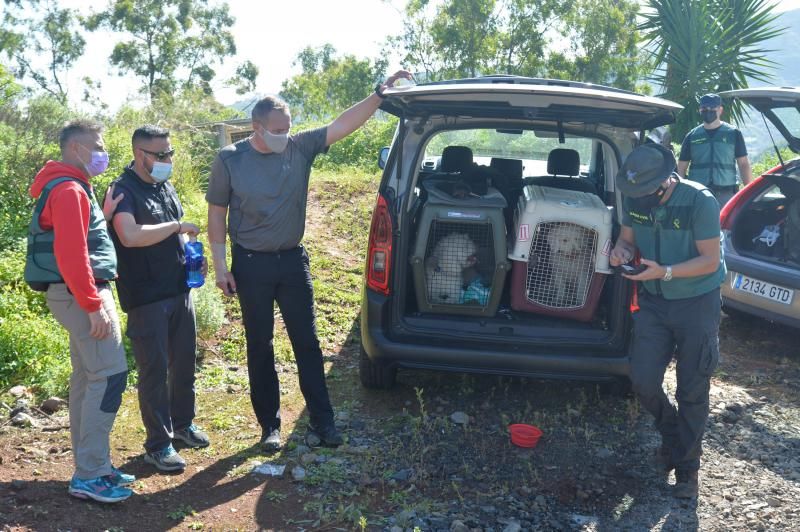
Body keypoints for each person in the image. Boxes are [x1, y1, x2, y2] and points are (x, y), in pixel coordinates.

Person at [207, 70, 412, 451]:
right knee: (259, 345)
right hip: (250, 264)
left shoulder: (299, 148)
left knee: (308, 343)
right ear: (256, 127)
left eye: (288, 128)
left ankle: (323, 421)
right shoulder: (230, 159)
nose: (285, 134)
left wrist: (378, 95)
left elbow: (341, 125)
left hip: (292, 263)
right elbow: (217, 213)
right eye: (277, 129)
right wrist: (221, 267)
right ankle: (269, 425)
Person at [24, 120, 133, 503]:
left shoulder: (68, 186)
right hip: (81, 295)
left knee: (88, 377)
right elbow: (71, 254)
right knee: (110, 375)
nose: (103, 153)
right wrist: (92, 305)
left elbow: (78, 237)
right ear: (76, 150)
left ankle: (93, 464)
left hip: (71, 294)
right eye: (97, 146)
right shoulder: (69, 189)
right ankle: (90, 474)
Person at [610, 143, 726, 499]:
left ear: (664, 183)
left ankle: (687, 470)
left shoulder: (699, 200)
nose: (637, 199)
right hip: (654, 303)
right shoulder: (634, 197)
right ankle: (672, 433)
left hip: (697, 303)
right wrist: (621, 252)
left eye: (644, 192)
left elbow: (710, 260)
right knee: (642, 378)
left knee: (692, 388)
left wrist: (667, 272)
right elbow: (627, 240)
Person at [106, 125, 209, 472]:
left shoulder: (165, 185)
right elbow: (130, 235)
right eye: (160, 154)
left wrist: (194, 255)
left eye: (170, 152)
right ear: (140, 154)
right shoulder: (122, 190)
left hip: (179, 288)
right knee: (154, 371)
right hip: (146, 296)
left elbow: (176, 231)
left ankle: (182, 426)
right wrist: (178, 227)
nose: (167, 160)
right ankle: (158, 444)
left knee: (183, 364)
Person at [677, 93, 753, 206]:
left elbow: (743, 164)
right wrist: (681, 192)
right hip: (698, 193)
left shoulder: (733, 133)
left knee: (726, 223)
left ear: (720, 110)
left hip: (726, 194)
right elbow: (682, 167)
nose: (708, 111)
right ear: (700, 110)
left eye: (712, 108)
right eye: (704, 108)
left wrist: (749, 193)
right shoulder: (692, 136)